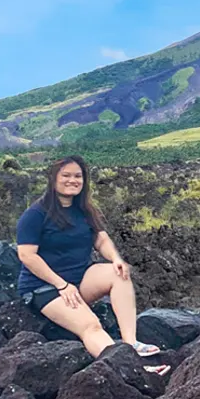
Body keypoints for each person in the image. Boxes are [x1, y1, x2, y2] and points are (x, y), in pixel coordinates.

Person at [16, 156, 168, 374]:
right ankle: (133, 369)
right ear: (53, 179)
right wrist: (61, 285)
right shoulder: (35, 214)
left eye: (77, 176)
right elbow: (27, 256)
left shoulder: (84, 210)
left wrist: (116, 259)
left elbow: (101, 239)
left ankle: (131, 342)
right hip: (44, 287)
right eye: (66, 175)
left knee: (118, 274)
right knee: (91, 325)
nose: (72, 180)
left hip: (78, 279)